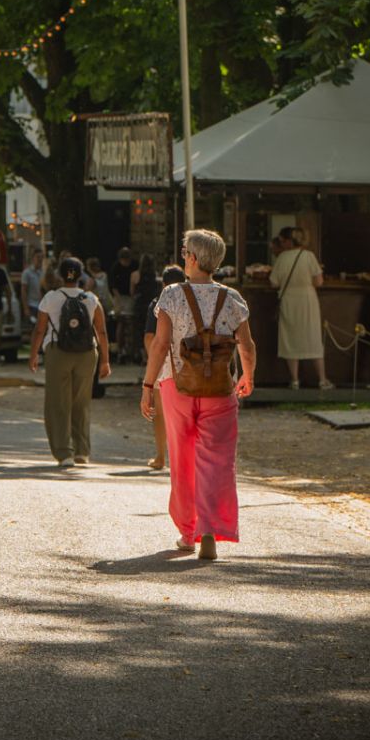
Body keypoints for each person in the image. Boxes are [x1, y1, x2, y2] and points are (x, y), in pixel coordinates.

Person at [143, 229, 258, 560]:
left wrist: (148, 386)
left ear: (192, 258)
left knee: (182, 460)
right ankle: (210, 530)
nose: (183, 257)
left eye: (184, 252)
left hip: (176, 386)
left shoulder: (171, 295)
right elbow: (247, 345)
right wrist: (247, 375)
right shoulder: (232, 299)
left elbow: (160, 344)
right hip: (220, 388)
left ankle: (187, 531)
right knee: (217, 461)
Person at [28, 256, 111, 469]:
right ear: (81, 275)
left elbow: (40, 329)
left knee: (58, 402)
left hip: (58, 351)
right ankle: (82, 450)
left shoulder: (51, 298)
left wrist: (34, 354)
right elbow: (101, 331)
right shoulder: (91, 299)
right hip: (86, 353)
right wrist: (105, 360)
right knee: (81, 401)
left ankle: (64, 452)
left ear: (59, 275)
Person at [269, 226, 329, 389]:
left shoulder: (282, 258)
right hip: (308, 301)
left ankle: (295, 380)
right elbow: (319, 281)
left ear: (288, 242)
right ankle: (322, 379)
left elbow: (274, 282)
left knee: (290, 339)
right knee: (313, 338)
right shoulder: (309, 256)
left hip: (289, 300)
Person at [140, 264, 187, 469]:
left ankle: (161, 456)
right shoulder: (192, 301)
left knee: (160, 413)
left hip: (164, 363)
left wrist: (154, 362)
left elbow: (150, 337)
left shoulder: (158, 304)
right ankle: (183, 457)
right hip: (189, 363)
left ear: (163, 284)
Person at [130, 252, 163, 364]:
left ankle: (143, 355)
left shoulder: (135, 275)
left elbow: (132, 292)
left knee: (139, 331)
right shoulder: (155, 275)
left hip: (139, 305)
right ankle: (150, 355)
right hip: (151, 305)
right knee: (151, 330)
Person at [108, 247, 140, 359]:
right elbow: (113, 286)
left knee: (132, 323)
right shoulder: (115, 267)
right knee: (121, 322)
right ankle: (120, 349)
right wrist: (118, 300)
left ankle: (132, 349)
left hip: (132, 296)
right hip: (120, 296)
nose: (126, 263)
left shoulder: (135, 265)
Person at [20, 249, 46, 313]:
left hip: (42, 306)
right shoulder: (27, 273)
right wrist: (26, 308)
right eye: (38, 257)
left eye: (42, 257)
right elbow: (24, 291)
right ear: (33, 258)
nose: (40, 259)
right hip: (31, 305)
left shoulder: (44, 273)